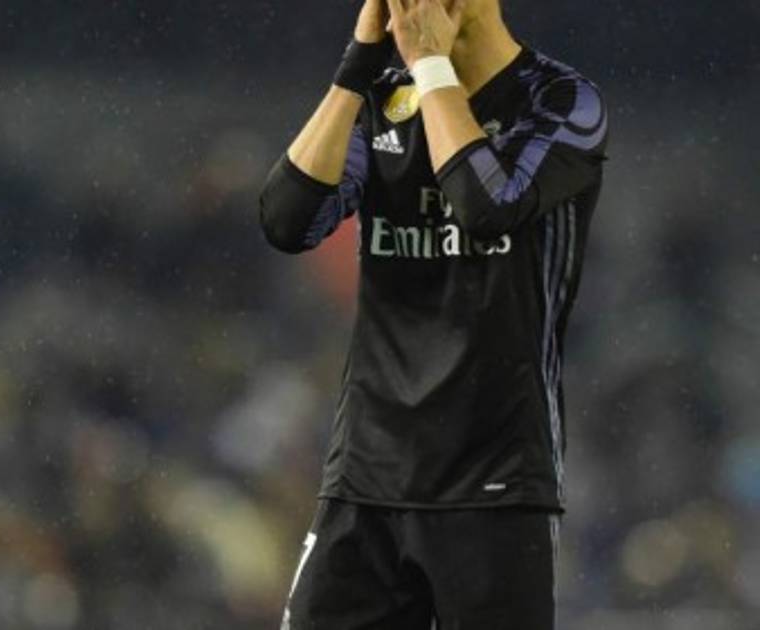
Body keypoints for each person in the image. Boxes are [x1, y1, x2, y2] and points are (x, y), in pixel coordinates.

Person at [259, 0, 608, 627]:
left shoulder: (562, 101)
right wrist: (355, 70)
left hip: (494, 483)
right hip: (366, 476)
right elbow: (287, 220)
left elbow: (486, 205)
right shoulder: (384, 99)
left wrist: (429, 65)